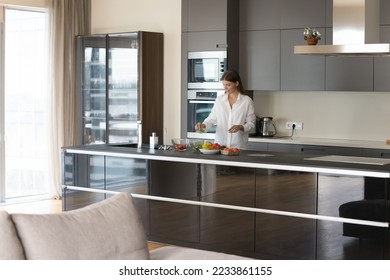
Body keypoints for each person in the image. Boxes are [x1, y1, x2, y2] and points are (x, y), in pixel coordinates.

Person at [195, 69, 256, 149]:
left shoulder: (247, 101)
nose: (225, 88)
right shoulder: (219, 100)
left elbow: (251, 124)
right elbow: (212, 119)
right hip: (219, 147)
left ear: (237, 83)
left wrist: (240, 127)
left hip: (238, 148)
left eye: (228, 85)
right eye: (223, 84)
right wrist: (202, 126)